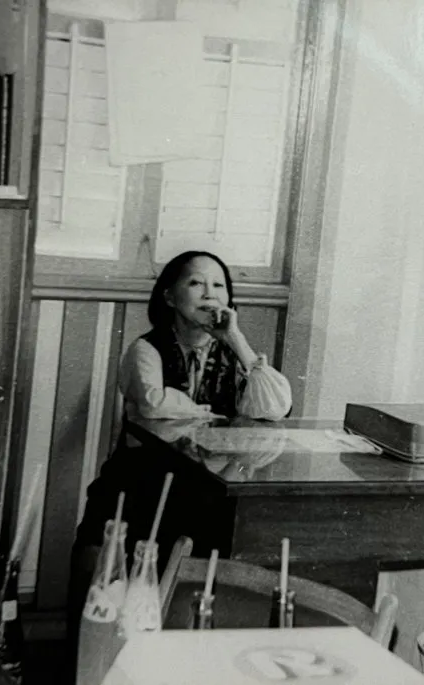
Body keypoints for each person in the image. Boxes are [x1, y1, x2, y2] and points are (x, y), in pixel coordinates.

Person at [65, 251, 292, 680]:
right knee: (112, 567)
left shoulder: (232, 356)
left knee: (215, 555)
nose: (210, 294)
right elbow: (154, 403)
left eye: (219, 286)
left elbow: (275, 406)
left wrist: (237, 341)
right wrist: (207, 410)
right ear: (169, 296)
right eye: (196, 283)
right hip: (140, 483)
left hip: (203, 490)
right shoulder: (146, 349)